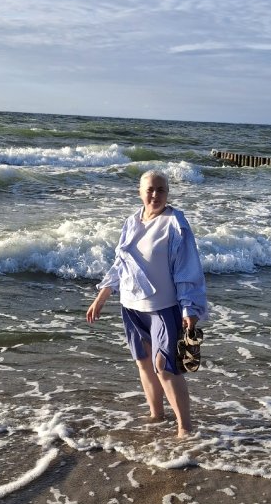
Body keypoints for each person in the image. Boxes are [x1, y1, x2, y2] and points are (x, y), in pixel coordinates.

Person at [86, 170, 207, 437]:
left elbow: (188, 268)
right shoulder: (131, 222)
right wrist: (102, 296)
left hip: (163, 308)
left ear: (168, 193)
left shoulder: (175, 223)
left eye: (161, 190)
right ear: (140, 192)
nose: (155, 194)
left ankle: (185, 428)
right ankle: (156, 414)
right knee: (143, 363)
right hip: (130, 306)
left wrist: (190, 308)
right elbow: (121, 264)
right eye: (150, 189)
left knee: (165, 367)